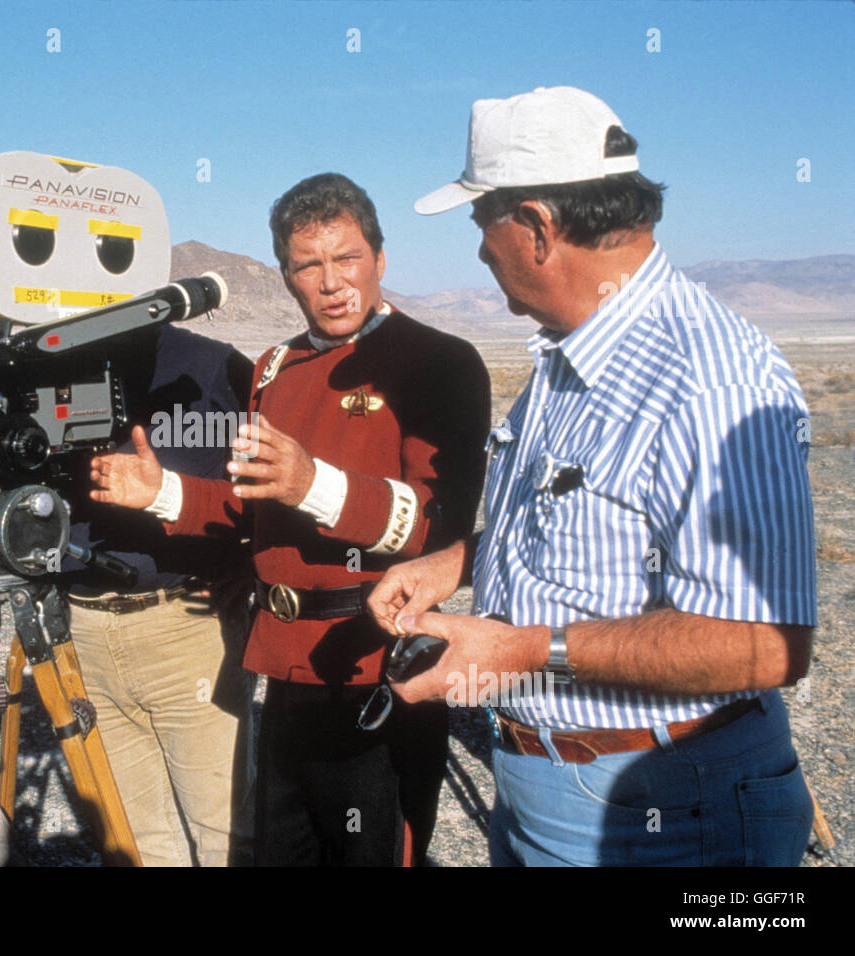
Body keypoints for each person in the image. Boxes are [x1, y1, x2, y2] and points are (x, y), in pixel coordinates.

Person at [371, 86, 816, 866]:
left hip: (670, 812)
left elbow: (764, 645)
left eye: (483, 220)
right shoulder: (569, 350)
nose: (479, 249)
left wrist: (519, 652)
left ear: (538, 227)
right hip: (544, 785)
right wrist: (456, 563)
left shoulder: (709, 381)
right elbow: (578, 525)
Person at [92, 174, 490, 865]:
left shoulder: (439, 363)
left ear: (381, 260)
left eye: (348, 259)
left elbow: (440, 528)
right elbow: (254, 515)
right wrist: (162, 493)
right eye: (309, 265)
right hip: (284, 673)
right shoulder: (275, 367)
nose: (332, 282)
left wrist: (315, 484)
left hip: (378, 667)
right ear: (285, 276)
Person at [60, 323, 255, 866]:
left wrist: (244, 566)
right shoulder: (33, 362)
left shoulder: (212, 366)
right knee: (133, 841)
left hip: (188, 628)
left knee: (227, 832)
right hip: (81, 634)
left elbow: (267, 493)